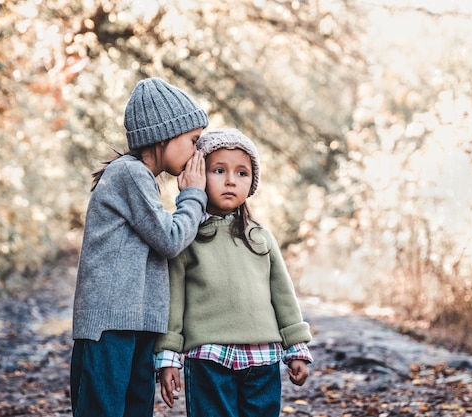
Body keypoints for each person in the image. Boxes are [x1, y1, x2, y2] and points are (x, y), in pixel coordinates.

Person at [70, 77, 210, 417]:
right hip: (110, 328)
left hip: (136, 324)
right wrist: (194, 194)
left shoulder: (141, 180)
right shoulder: (128, 174)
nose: (198, 151)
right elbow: (171, 239)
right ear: (164, 135)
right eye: (193, 140)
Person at [154, 128, 313, 417]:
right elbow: (173, 302)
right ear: (198, 174)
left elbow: (283, 296)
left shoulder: (260, 237)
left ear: (252, 183)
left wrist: (296, 349)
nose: (231, 180)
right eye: (219, 170)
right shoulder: (187, 237)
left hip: (262, 359)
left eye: (242, 173)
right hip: (208, 358)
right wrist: (168, 357)